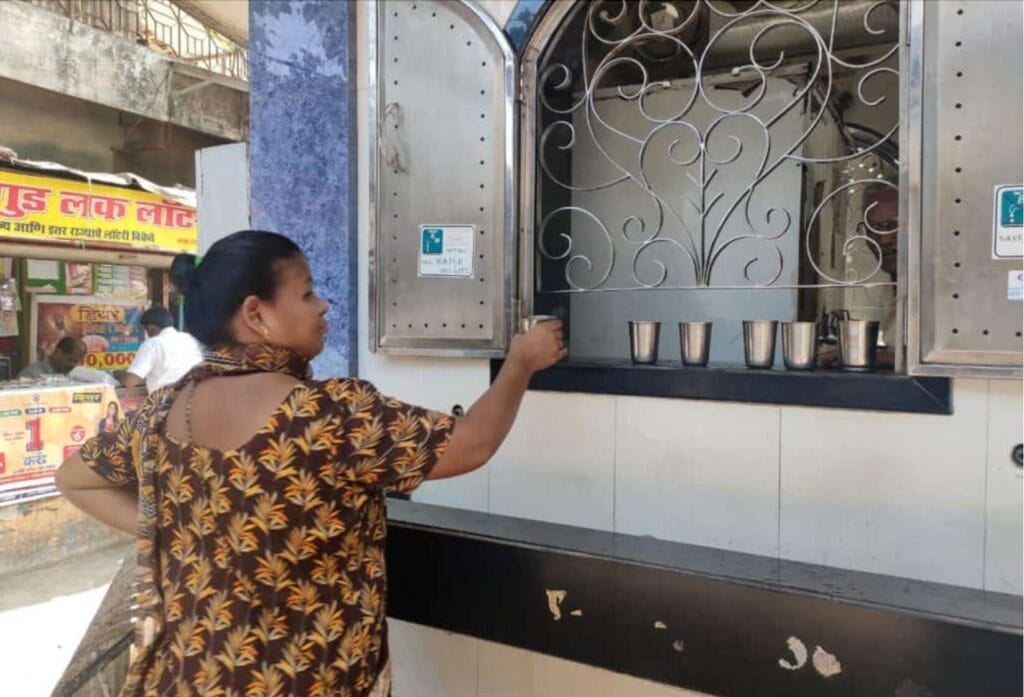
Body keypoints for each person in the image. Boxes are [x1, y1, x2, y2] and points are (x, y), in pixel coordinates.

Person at [56, 230, 565, 697]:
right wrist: (520, 362)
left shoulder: (162, 412)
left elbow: (75, 479)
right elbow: (472, 443)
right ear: (256, 314)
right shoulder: (328, 415)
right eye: (306, 293)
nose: (323, 304)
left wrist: (176, 528)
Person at [119, 305, 203, 392]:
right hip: (193, 395)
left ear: (151, 328)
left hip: (167, 397)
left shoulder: (152, 344)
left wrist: (118, 374)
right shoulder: (190, 339)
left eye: (145, 329)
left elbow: (129, 381)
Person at [20, 336, 87, 379]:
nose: (75, 365)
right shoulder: (31, 374)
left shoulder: (75, 375)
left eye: (78, 362)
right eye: (72, 360)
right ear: (58, 352)